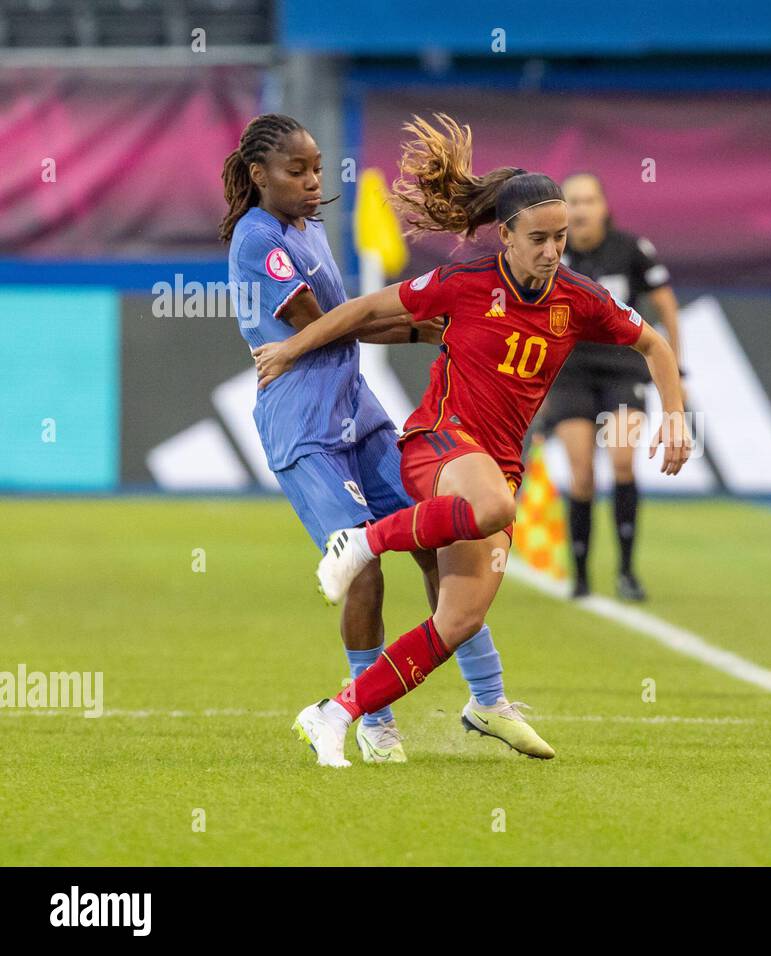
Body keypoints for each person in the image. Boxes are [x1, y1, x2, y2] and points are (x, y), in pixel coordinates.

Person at [250, 113, 690, 767]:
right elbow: (368, 310)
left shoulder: (580, 299)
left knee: (457, 622)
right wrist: (291, 347)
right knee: (497, 508)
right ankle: (361, 542)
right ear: (506, 236)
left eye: (561, 238)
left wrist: (675, 414)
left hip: (498, 464)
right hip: (439, 442)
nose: (551, 251)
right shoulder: (466, 282)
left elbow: (652, 341)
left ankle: (337, 713)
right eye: (538, 238)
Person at [221, 114, 539, 764]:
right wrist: (434, 330)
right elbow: (331, 324)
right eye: (297, 171)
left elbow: (354, 317)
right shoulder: (258, 240)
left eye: (316, 168)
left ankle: (488, 701)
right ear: (258, 175)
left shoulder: (307, 229)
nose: (314, 182)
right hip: (304, 426)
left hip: (356, 411)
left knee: (442, 541)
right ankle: (373, 719)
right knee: (362, 572)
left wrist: (433, 326)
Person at [543, 172, 683, 601]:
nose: (581, 209)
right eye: (573, 201)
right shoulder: (550, 254)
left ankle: (626, 570)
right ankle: (581, 575)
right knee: (581, 471)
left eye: (589, 200)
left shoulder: (631, 250)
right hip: (571, 373)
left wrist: (679, 372)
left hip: (623, 368)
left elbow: (666, 308)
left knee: (622, 459)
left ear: (604, 207)